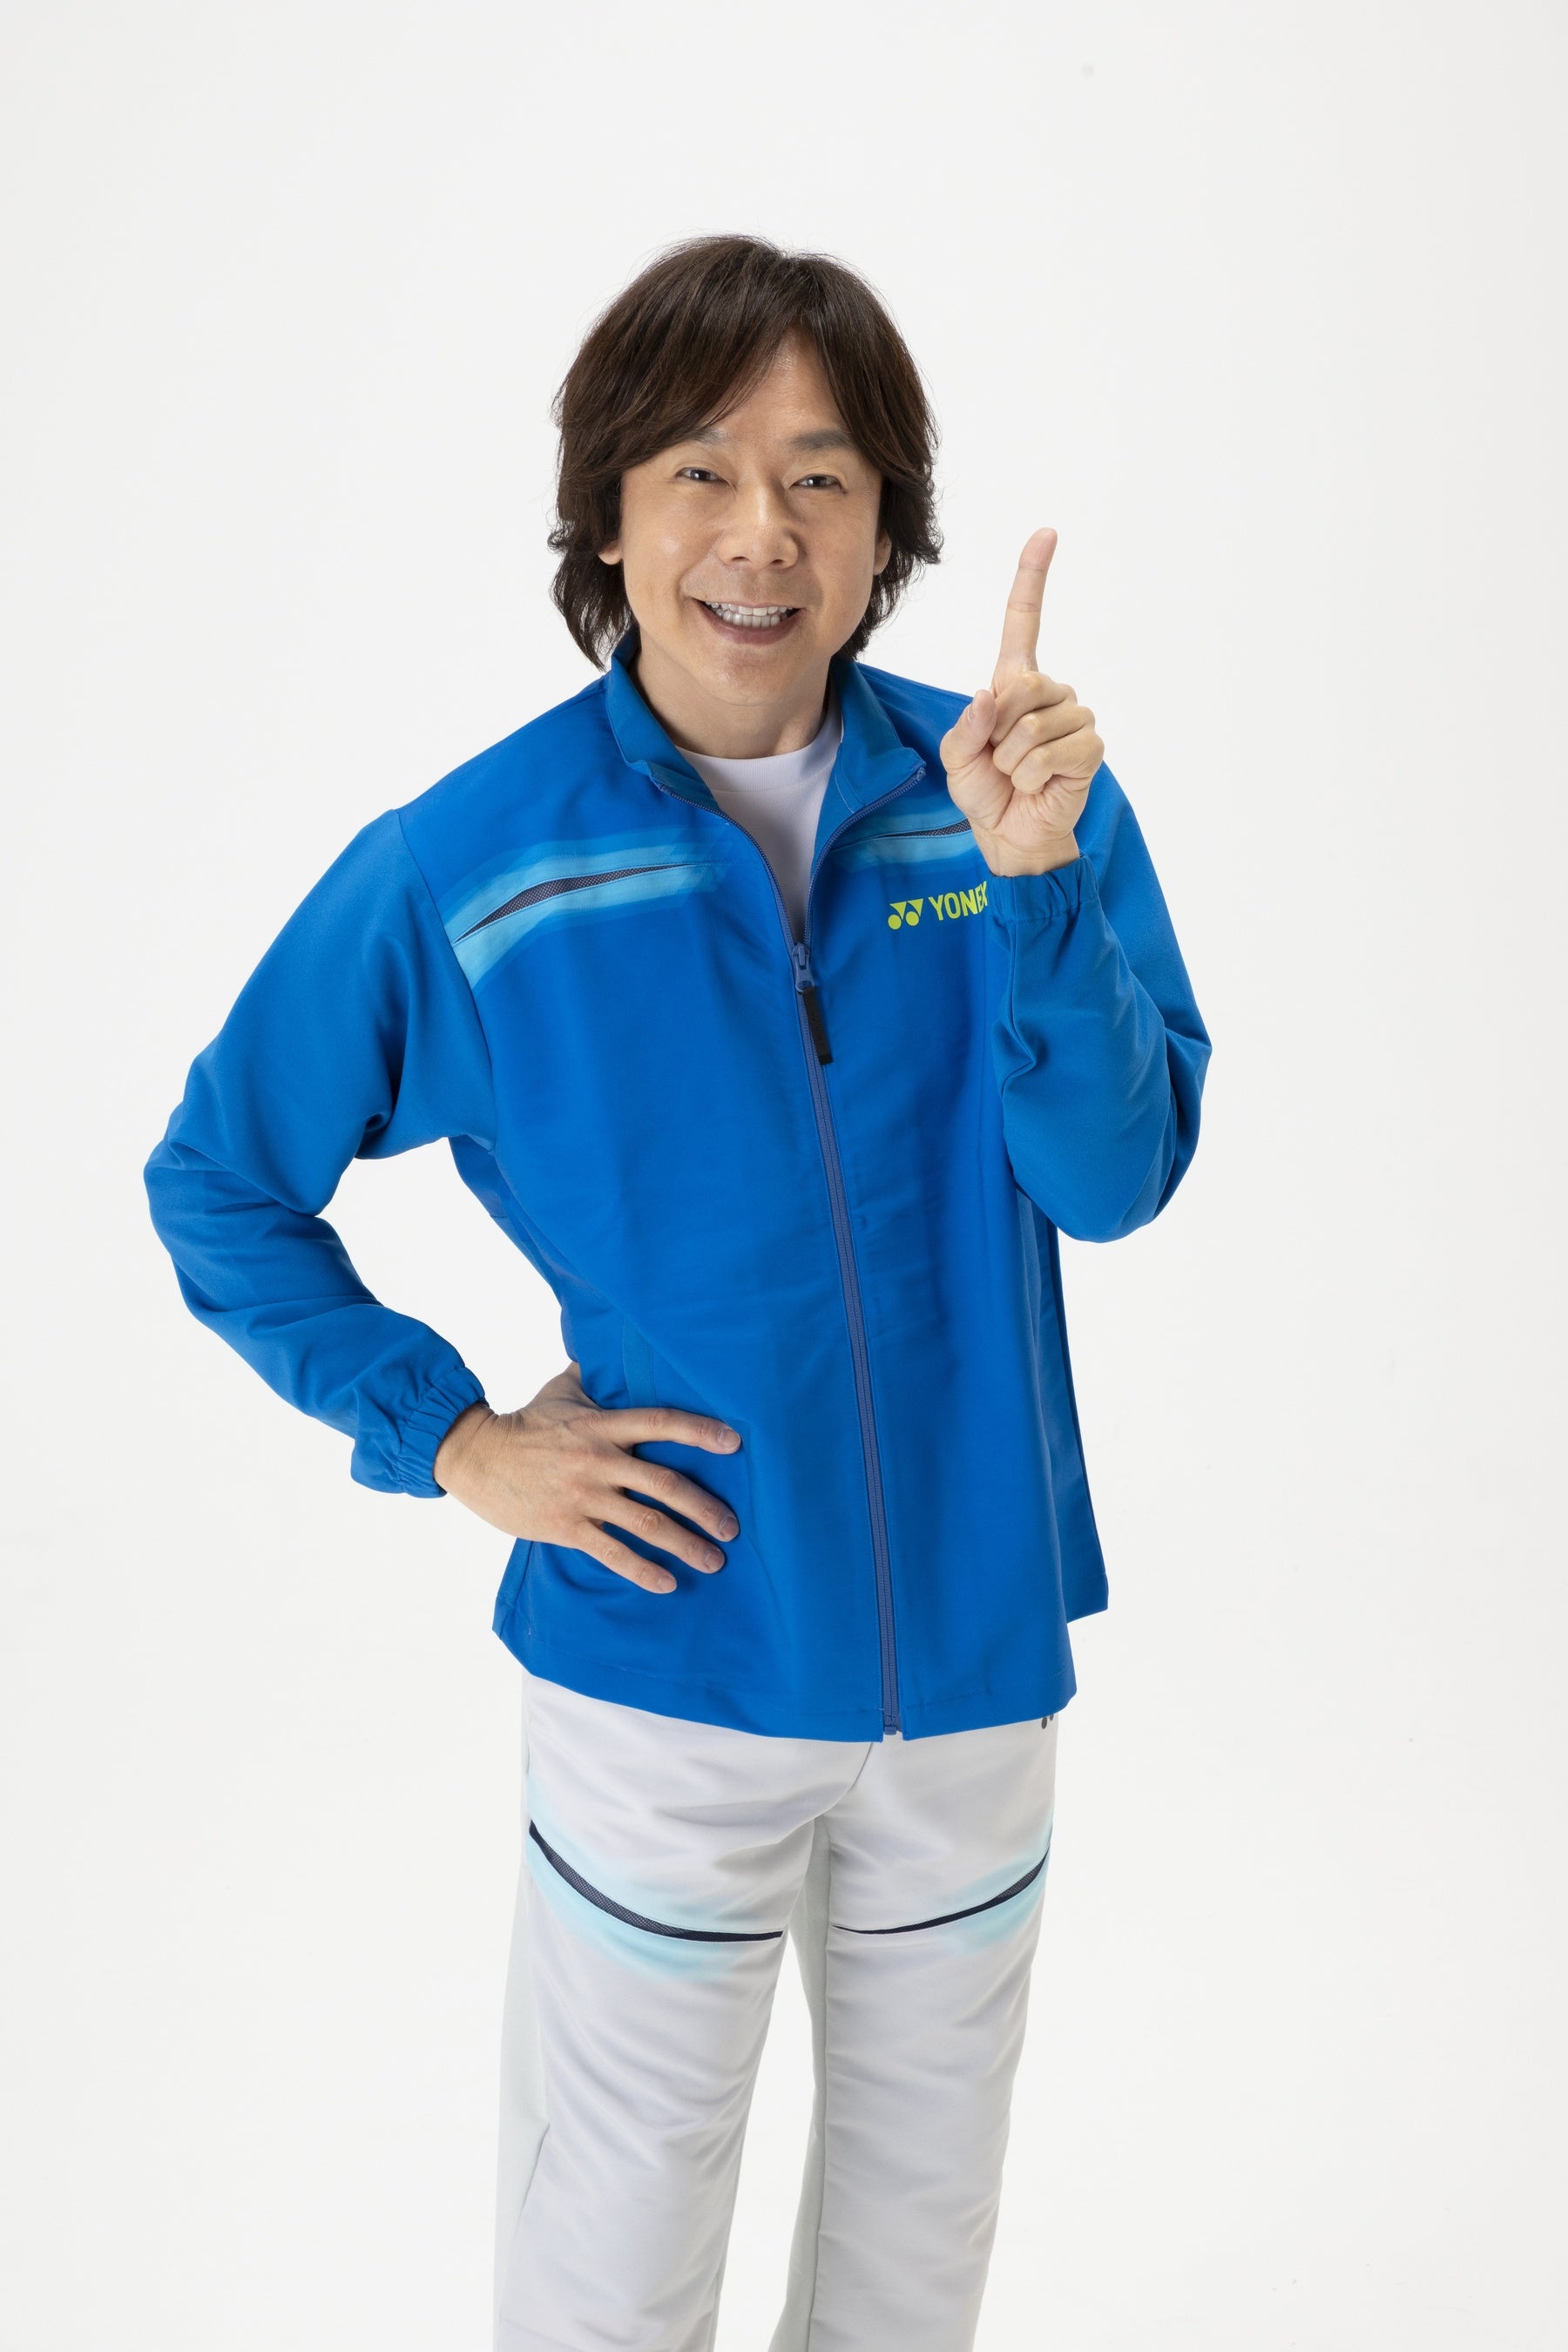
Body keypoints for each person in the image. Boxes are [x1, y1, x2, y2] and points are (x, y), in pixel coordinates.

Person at [145, 233, 1212, 2351]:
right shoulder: (475, 860)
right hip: (670, 1673)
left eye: (823, 478)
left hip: (975, 1673)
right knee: (612, 2273)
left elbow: (1115, 1180)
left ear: (889, 528)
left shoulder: (1010, 802)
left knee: (913, 2276)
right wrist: (452, 1438)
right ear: (611, 519)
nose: (761, 533)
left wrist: (1032, 890)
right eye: (701, 471)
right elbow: (220, 1180)